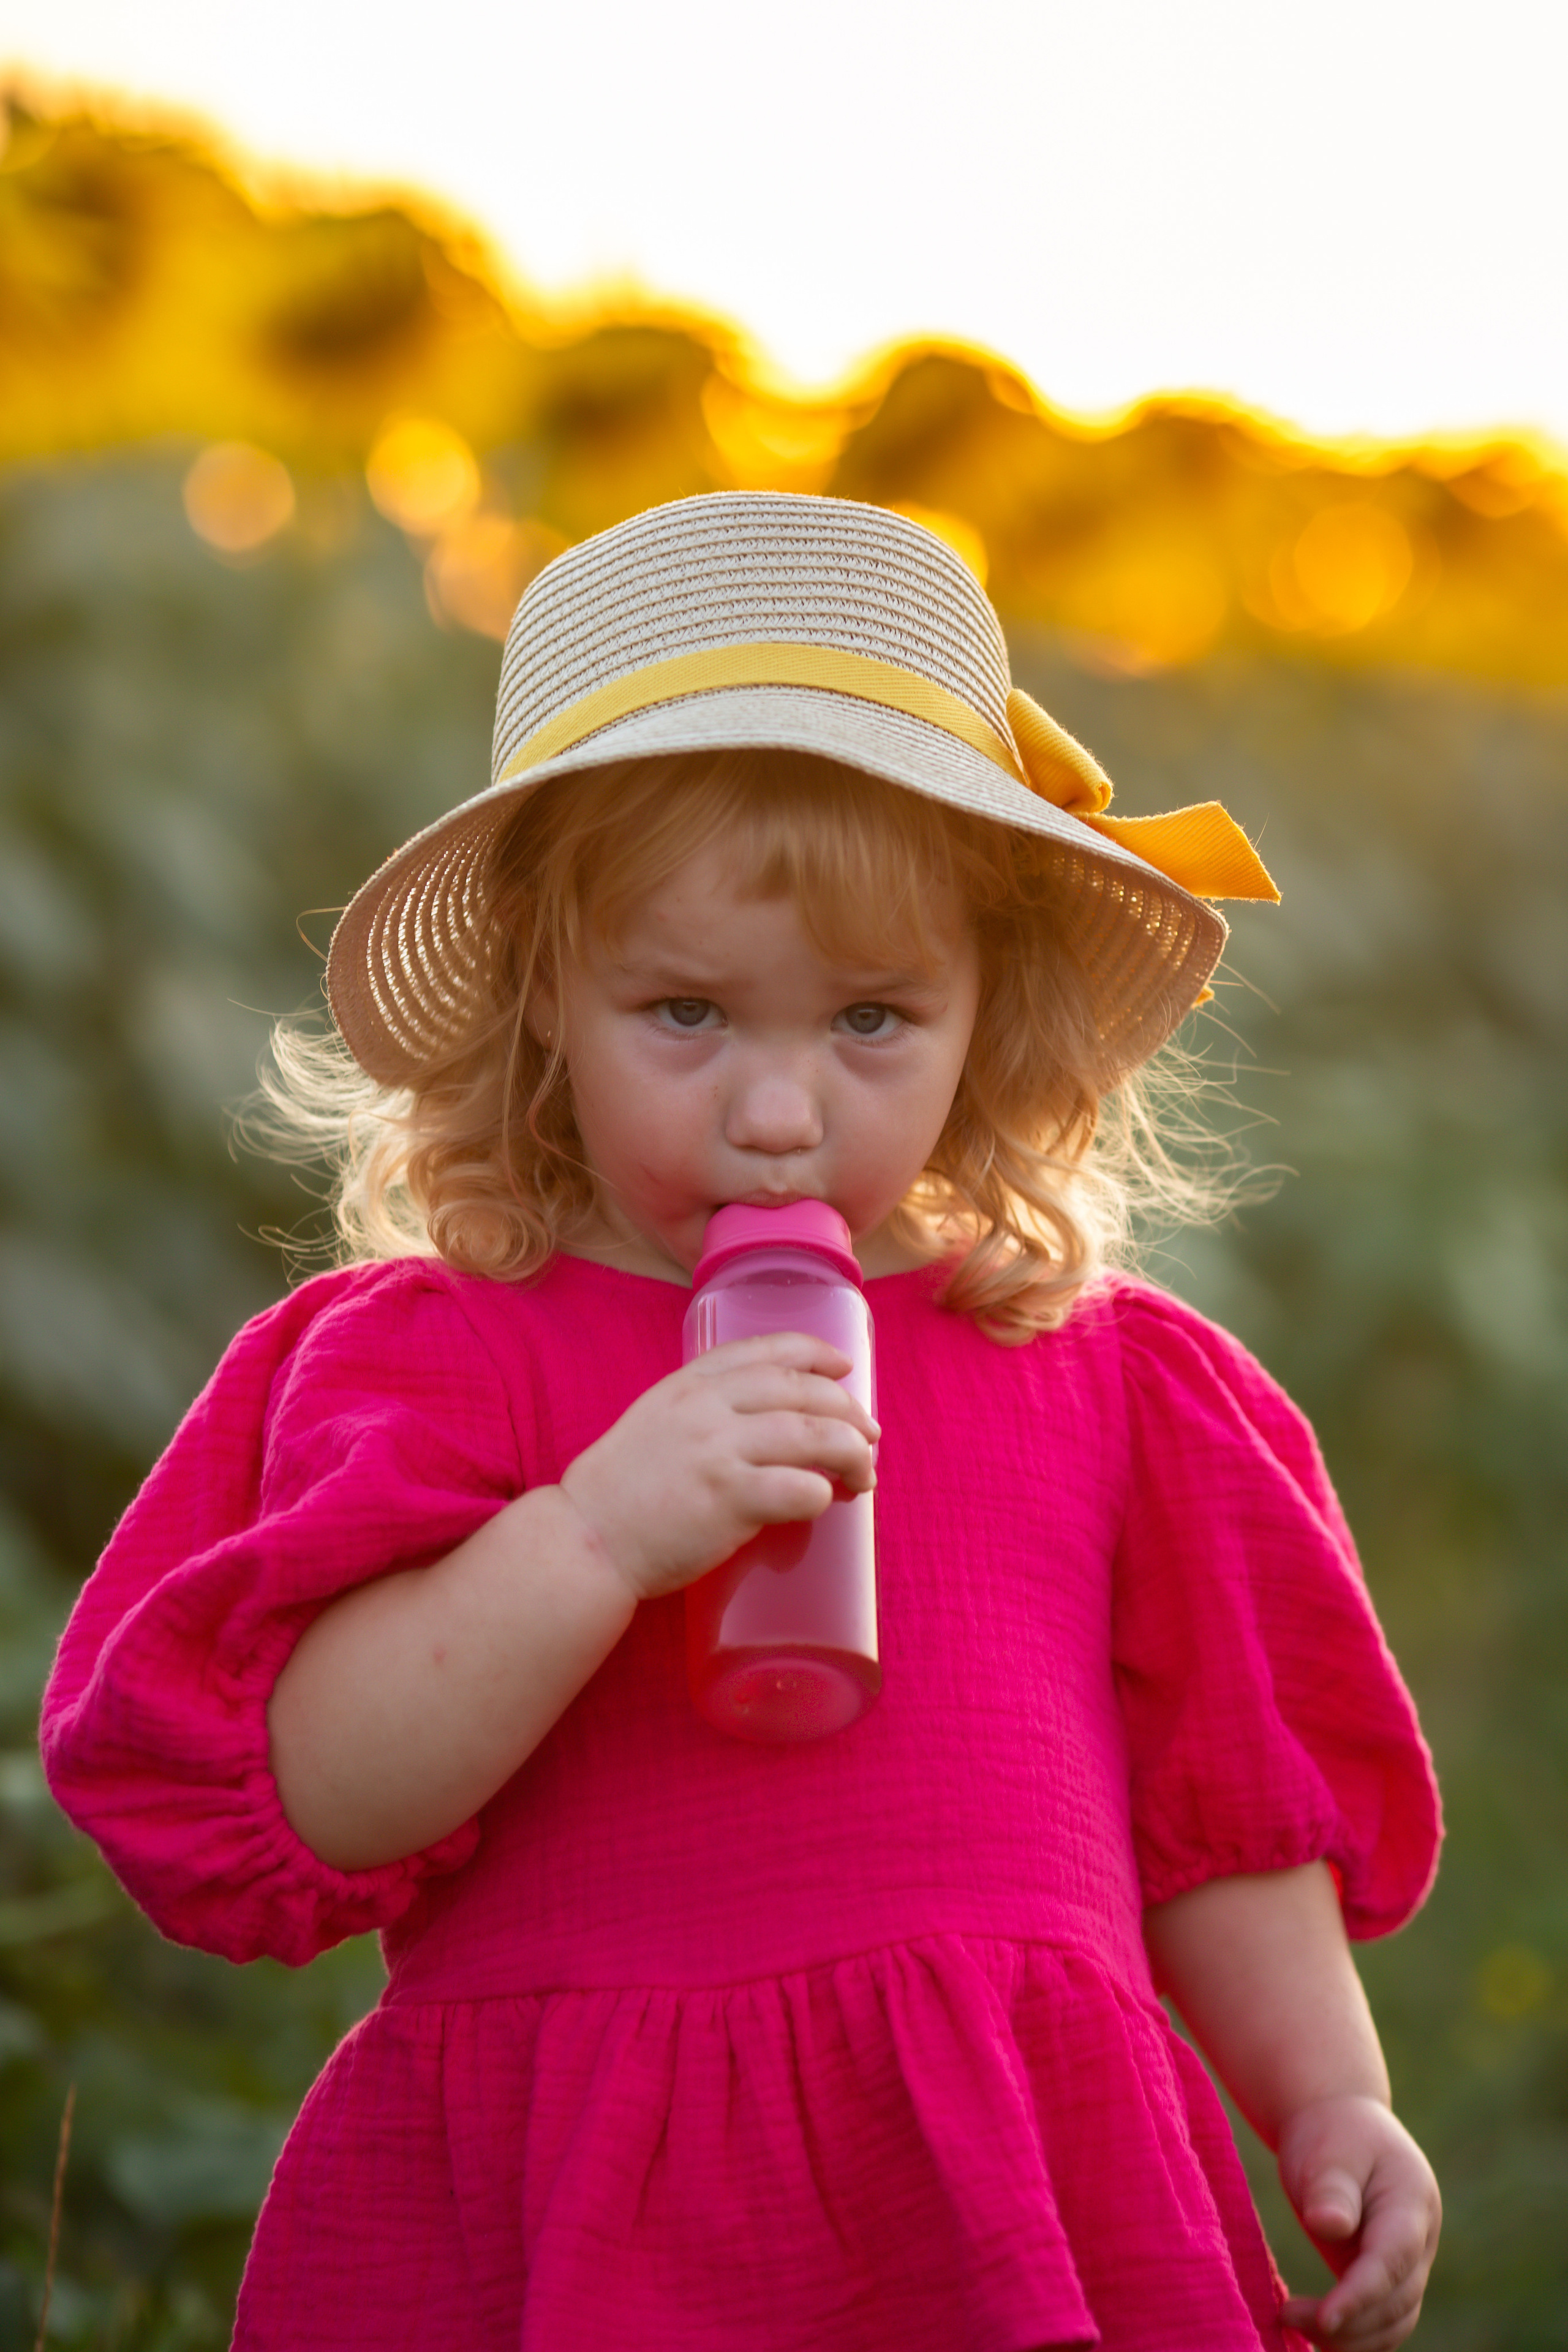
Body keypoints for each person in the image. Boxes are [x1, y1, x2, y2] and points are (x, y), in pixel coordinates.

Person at [42, 492, 1442, 2351]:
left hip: (1009, 2179)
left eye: (872, 1021)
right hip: (588, 2202)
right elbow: (311, 1790)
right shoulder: (450, 1358)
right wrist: (593, 1538)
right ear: (547, 997)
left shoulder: (1100, 1378)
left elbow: (1221, 1825)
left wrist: (1333, 2098)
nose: (779, 1114)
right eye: (686, 1012)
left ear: (987, 1009)